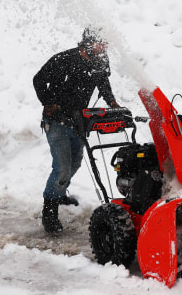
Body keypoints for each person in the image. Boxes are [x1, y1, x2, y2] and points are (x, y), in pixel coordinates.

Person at [33, 27, 120, 233]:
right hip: (56, 121)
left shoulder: (98, 61)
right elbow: (38, 80)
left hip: (78, 120)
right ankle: (49, 210)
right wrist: (48, 103)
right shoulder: (63, 60)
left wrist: (112, 102)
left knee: (76, 162)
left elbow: (103, 81)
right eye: (100, 44)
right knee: (62, 166)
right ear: (88, 44)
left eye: (104, 44)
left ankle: (59, 191)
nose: (103, 48)